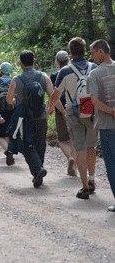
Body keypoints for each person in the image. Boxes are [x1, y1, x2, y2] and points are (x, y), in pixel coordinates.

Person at [50, 37, 97, 199]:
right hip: (91, 109)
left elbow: (56, 95)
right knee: (91, 146)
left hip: (73, 111)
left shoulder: (65, 71)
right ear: (84, 51)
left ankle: (85, 187)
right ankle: (92, 179)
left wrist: (50, 108)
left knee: (80, 149)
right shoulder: (94, 67)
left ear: (70, 52)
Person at [7, 50, 61, 188]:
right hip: (41, 116)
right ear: (34, 61)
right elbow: (53, 94)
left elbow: (8, 99)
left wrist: (15, 101)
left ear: (20, 63)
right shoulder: (43, 77)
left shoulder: (16, 80)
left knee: (27, 145)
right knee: (40, 144)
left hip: (25, 119)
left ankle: (38, 170)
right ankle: (39, 171)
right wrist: (52, 108)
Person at [87, 39, 115, 212]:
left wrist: (112, 112)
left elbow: (94, 100)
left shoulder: (95, 74)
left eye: (93, 53)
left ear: (100, 52)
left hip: (107, 125)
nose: (92, 56)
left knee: (112, 164)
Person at [50, 51, 76, 176]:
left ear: (57, 61)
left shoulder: (54, 75)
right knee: (73, 138)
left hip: (60, 109)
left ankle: (70, 158)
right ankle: (74, 160)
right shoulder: (74, 71)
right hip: (75, 107)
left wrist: (53, 109)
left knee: (62, 140)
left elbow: (54, 95)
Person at [0, 62, 14, 165]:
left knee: (0, 134)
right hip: (12, 110)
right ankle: (10, 150)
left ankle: (7, 150)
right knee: (8, 133)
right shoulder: (14, 80)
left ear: (1, 70)